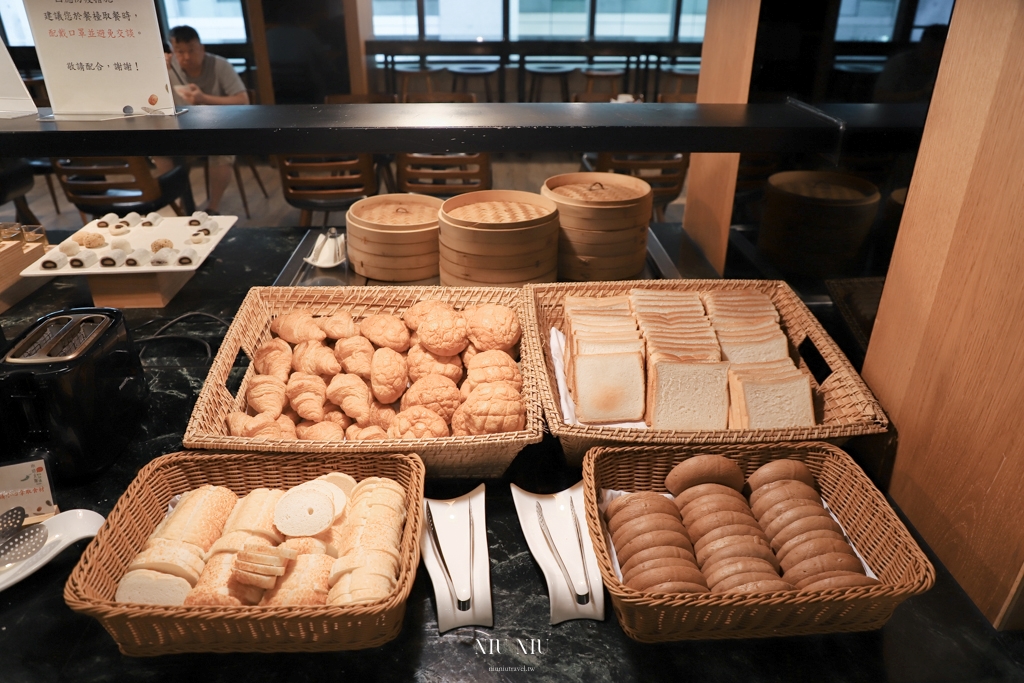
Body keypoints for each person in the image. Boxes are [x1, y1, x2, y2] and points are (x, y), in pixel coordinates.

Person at [166, 25, 249, 214]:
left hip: (218, 129)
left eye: (191, 50)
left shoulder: (220, 65)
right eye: (180, 52)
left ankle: (212, 208)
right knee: (161, 150)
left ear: (202, 48)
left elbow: (243, 100)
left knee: (221, 149)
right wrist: (158, 72)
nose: (186, 57)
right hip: (182, 132)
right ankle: (176, 205)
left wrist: (205, 99)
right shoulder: (169, 70)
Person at [873, 25, 948, 104]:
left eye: (941, 50)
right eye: (932, 47)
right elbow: (879, 96)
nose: (936, 54)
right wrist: (921, 93)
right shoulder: (900, 62)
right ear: (921, 44)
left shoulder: (945, 66)